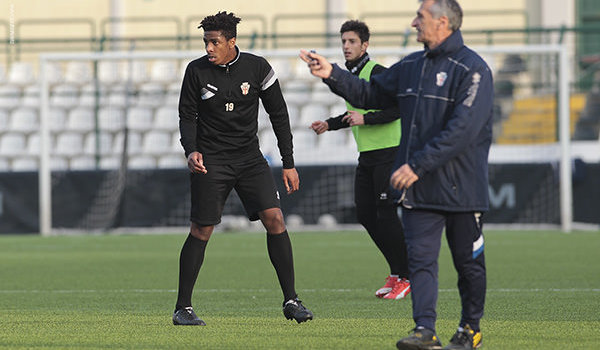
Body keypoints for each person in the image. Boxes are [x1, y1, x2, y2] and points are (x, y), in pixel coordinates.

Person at [300, 0, 492, 349]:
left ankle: (470, 328)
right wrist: (332, 75)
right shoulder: (413, 65)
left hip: (461, 186)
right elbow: (370, 93)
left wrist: (416, 164)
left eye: (420, 16)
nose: (413, 22)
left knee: (468, 264)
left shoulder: (473, 69)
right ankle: (425, 330)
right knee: (419, 260)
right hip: (418, 187)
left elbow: (462, 130)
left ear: (443, 22)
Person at [174, 11, 313, 326]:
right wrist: (191, 150)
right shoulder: (195, 71)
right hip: (212, 161)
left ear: (231, 41)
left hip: (250, 159)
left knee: (275, 218)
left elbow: (279, 114)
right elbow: (186, 116)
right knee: (202, 229)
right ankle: (183, 307)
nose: (209, 48)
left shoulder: (258, 67)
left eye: (215, 42)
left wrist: (288, 163)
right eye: (206, 42)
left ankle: (291, 300)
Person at [309, 20, 411, 300]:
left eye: (352, 41)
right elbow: (354, 113)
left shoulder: (378, 72)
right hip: (367, 155)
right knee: (365, 213)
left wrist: (366, 119)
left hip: (389, 152)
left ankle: (407, 275)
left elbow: (398, 108)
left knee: (386, 213)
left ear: (365, 45)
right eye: (343, 41)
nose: (346, 46)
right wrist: (329, 124)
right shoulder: (351, 76)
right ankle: (396, 272)